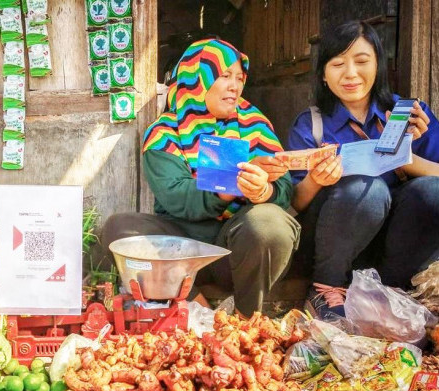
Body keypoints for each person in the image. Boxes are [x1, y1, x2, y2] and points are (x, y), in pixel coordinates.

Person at [102, 38, 300, 318]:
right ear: (197, 78)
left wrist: (263, 192)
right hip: (181, 252)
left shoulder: (254, 124)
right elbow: (177, 197)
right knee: (120, 229)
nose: (235, 86)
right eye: (224, 76)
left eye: (239, 78)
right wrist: (229, 187)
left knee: (269, 222)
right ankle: (196, 306)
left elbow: (284, 189)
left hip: (239, 250)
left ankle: (246, 320)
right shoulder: (165, 134)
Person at [287, 20, 439, 320]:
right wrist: (318, 179)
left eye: (361, 61)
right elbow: (295, 203)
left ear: (378, 65)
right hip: (336, 246)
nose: (351, 74)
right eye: (338, 63)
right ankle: (325, 288)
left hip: (395, 248)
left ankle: (392, 290)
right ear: (324, 75)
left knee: (432, 191)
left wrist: (403, 158)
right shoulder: (312, 125)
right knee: (366, 189)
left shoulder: (407, 115)